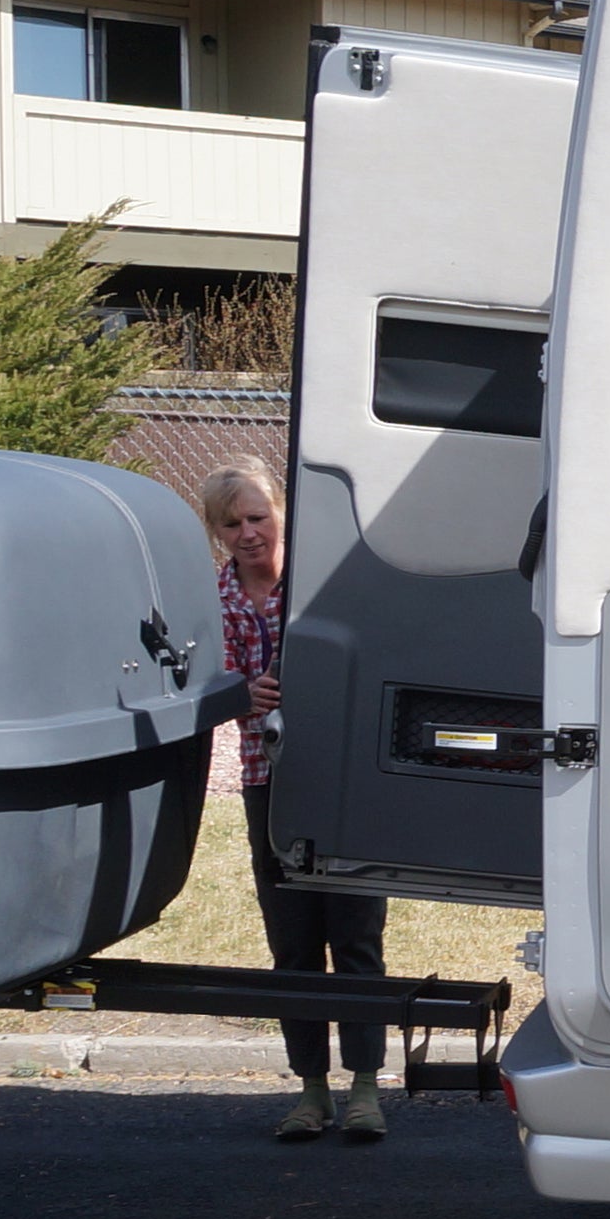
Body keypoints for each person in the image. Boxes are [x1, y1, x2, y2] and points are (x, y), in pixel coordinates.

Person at [197, 462, 393, 1144]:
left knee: (357, 935)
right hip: (266, 781)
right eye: (232, 523)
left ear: (281, 513)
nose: (248, 533)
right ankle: (312, 1093)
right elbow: (194, 685)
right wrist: (235, 695)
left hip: (345, 779)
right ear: (216, 531)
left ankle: (366, 1087)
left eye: (258, 517)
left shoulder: (322, 585)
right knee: (293, 942)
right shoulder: (212, 597)